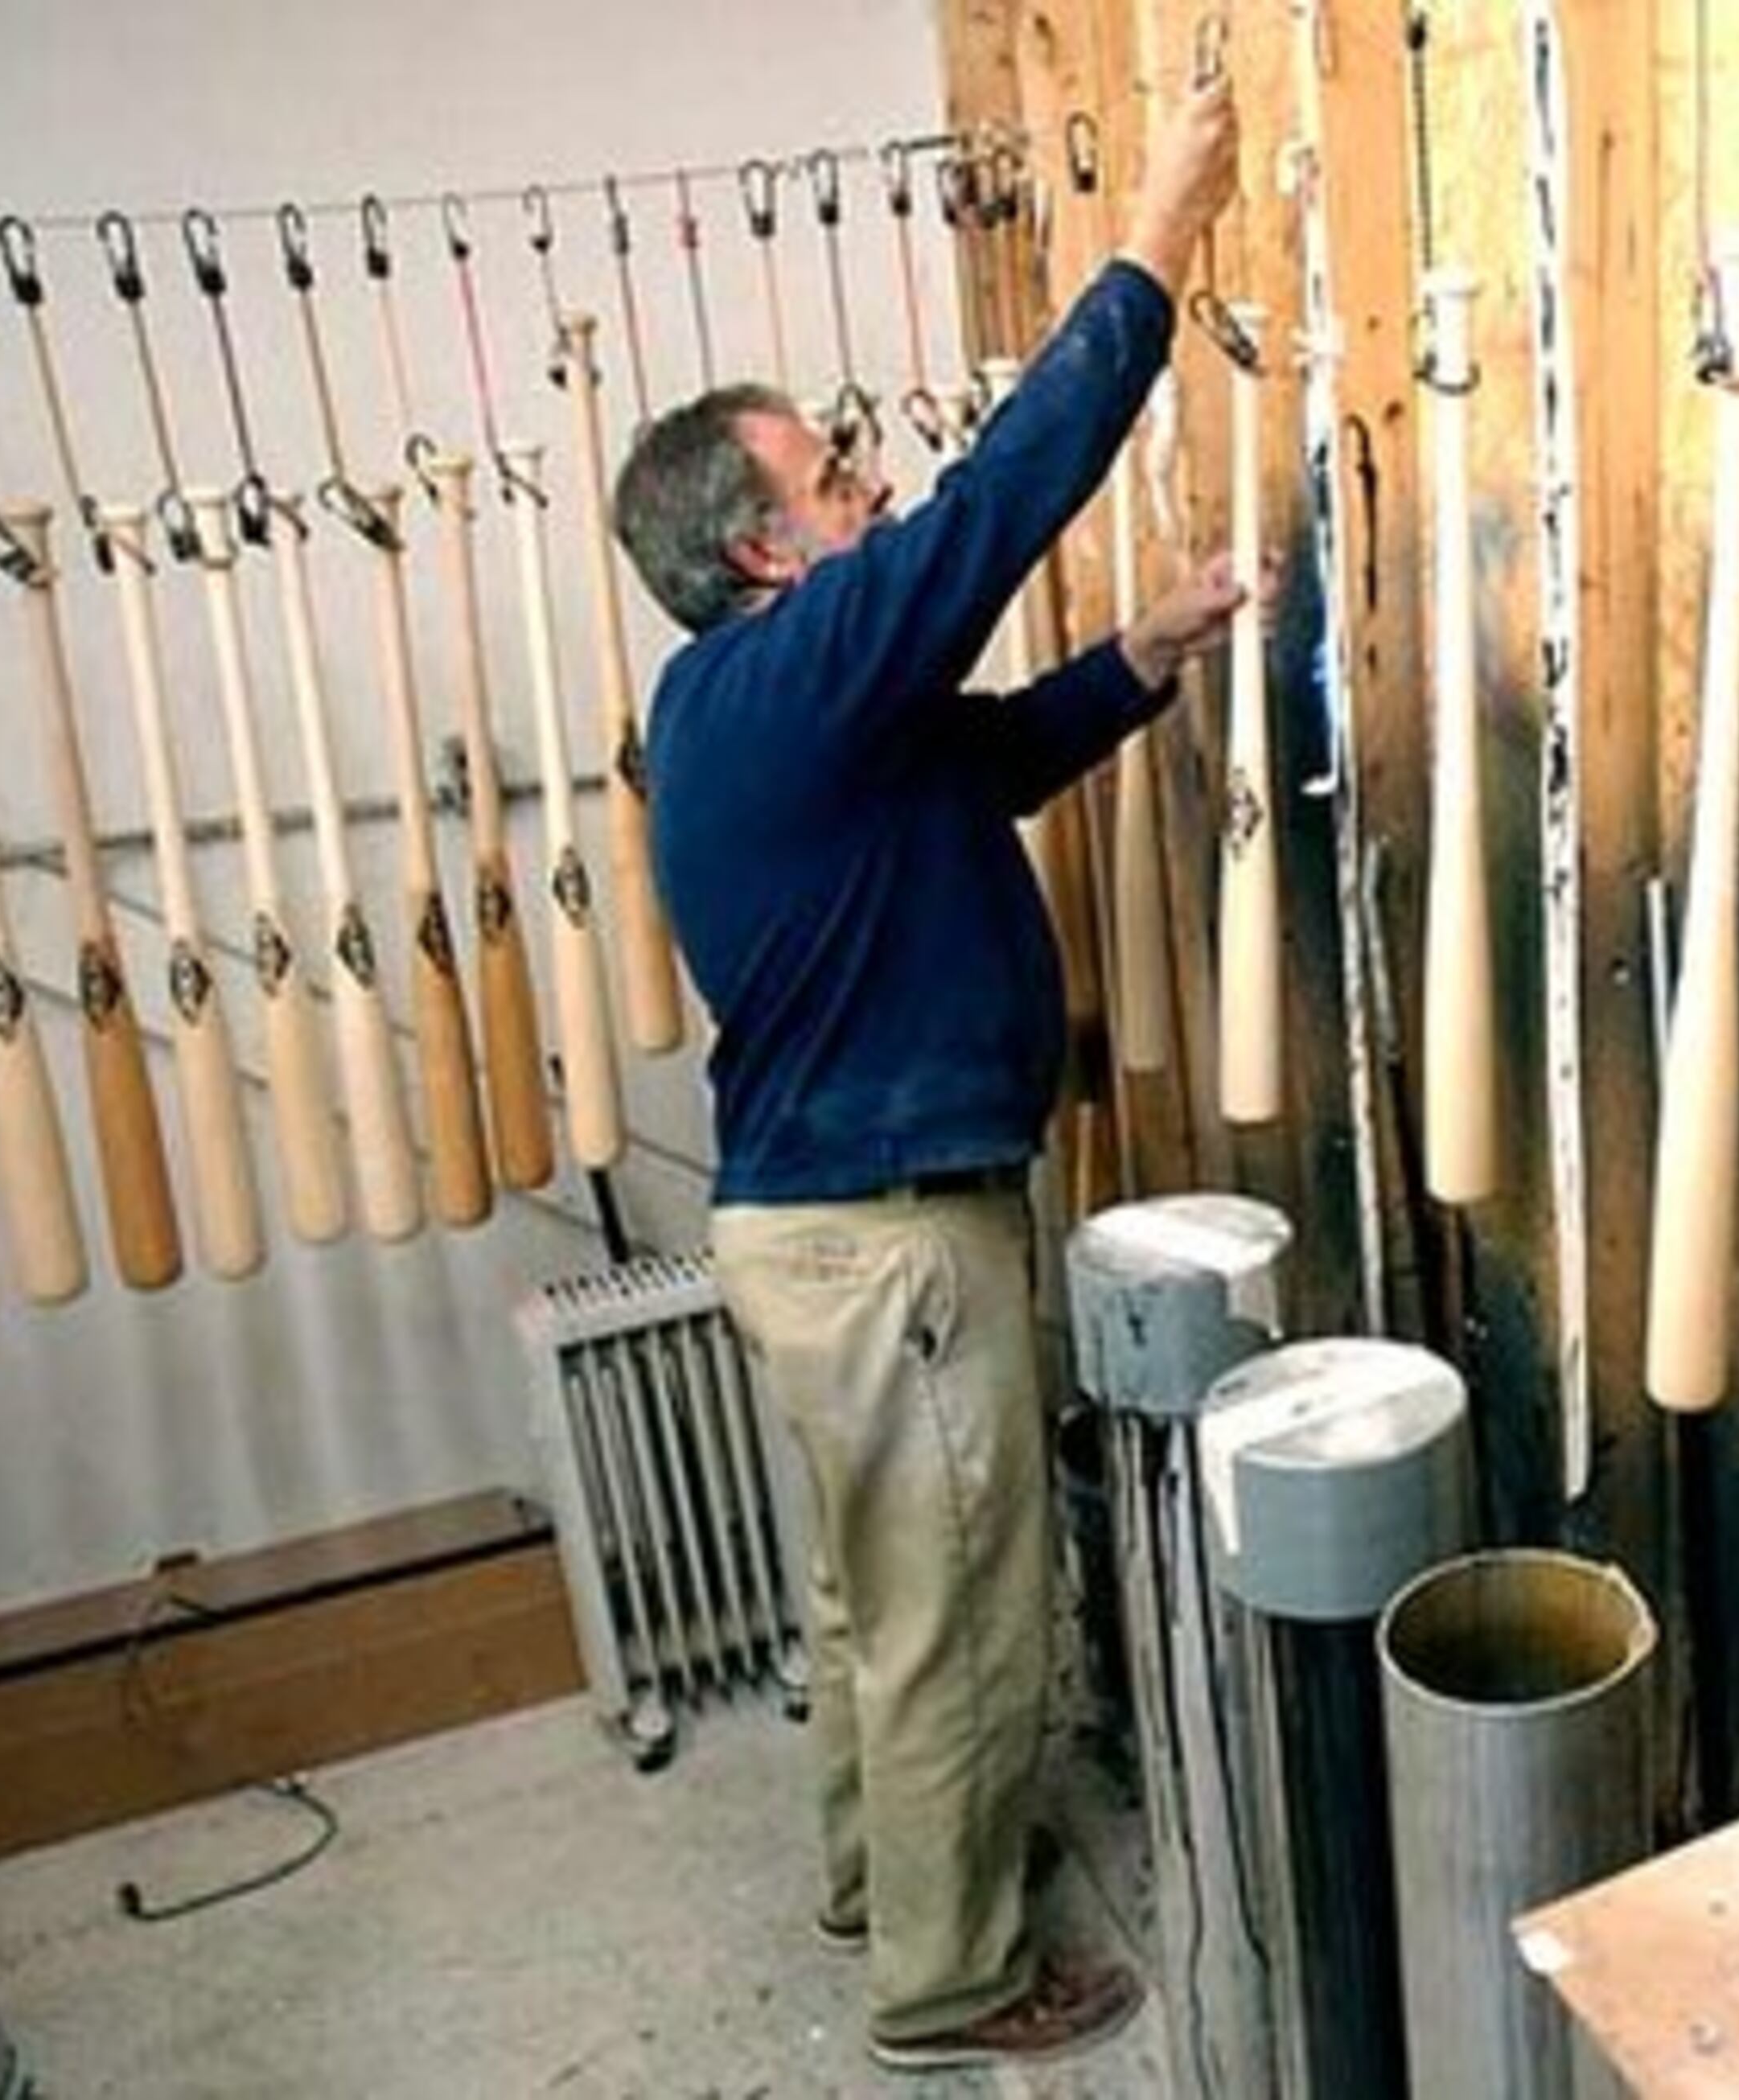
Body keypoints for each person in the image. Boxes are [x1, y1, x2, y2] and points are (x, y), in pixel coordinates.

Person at [609, 77, 1244, 2074]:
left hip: (816, 1234)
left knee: (865, 1595)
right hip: (888, 1251)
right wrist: (1152, 238)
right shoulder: (788, 676)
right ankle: (954, 1984)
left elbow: (988, 762)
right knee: (967, 1613)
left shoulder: (775, 719)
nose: (872, 482)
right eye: (834, 473)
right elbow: (994, 511)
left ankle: (875, 1873)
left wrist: (1142, 653)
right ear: (765, 551)